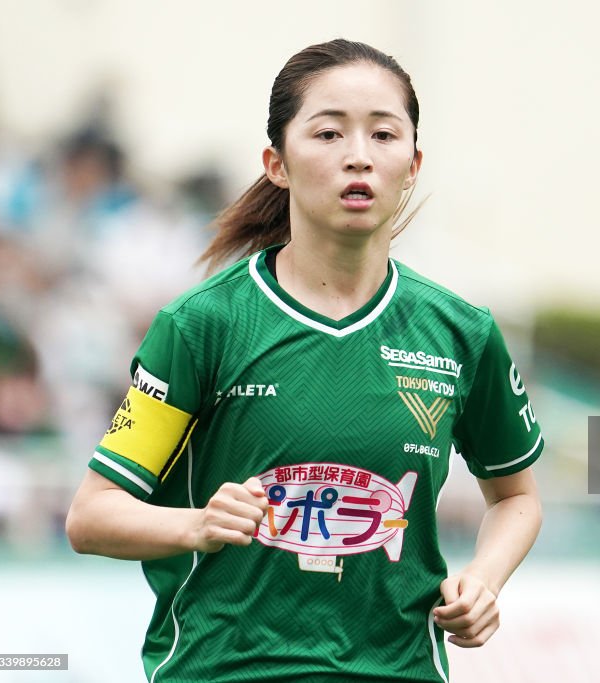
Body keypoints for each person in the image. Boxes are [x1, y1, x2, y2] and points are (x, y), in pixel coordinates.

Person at [66, 39, 544, 683]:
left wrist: (483, 584)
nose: (358, 157)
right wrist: (197, 524)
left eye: (383, 134)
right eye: (327, 133)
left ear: (413, 163)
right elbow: (92, 516)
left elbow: (516, 497)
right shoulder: (203, 325)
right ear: (277, 164)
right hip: (225, 672)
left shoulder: (462, 333)